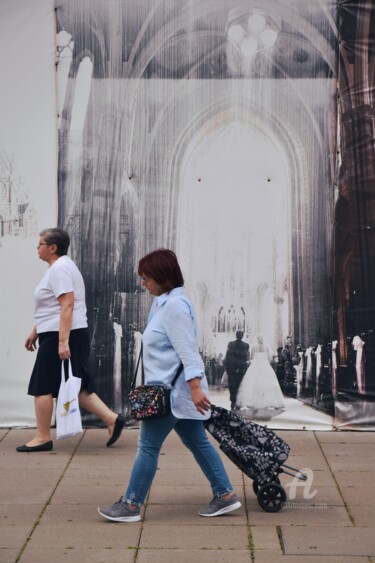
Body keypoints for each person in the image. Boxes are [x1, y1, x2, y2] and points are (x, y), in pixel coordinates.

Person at [98, 249, 241, 522]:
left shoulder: (175, 307)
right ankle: (225, 495)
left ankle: (130, 505)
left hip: (171, 393)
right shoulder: (163, 303)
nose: (143, 283)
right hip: (169, 392)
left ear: (163, 278)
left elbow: (188, 350)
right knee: (197, 441)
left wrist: (196, 387)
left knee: (148, 446)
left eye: (146, 277)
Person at [17, 228, 125, 452]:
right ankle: (112, 419)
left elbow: (67, 304)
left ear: (52, 247)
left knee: (41, 385)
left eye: (40, 244)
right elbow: (54, 307)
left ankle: (42, 437)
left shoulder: (60, 269)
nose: (37, 248)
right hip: (61, 332)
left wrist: (62, 342)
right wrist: (36, 330)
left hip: (63, 334)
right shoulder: (59, 268)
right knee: (75, 385)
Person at [236, 333, 285, 420]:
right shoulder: (266, 347)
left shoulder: (254, 347)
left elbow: (251, 357)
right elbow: (269, 357)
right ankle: (266, 403)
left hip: (255, 364)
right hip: (264, 364)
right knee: (266, 383)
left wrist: (254, 361)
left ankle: (254, 403)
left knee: (254, 383)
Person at [224, 331, 250, 409]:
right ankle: (238, 402)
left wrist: (227, 368)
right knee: (239, 386)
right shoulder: (246, 345)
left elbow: (227, 356)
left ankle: (233, 401)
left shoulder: (230, 344)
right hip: (241, 368)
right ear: (242, 336)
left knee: (232, 386)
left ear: (236, 335)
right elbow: (246, 357)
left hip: (231, 369)